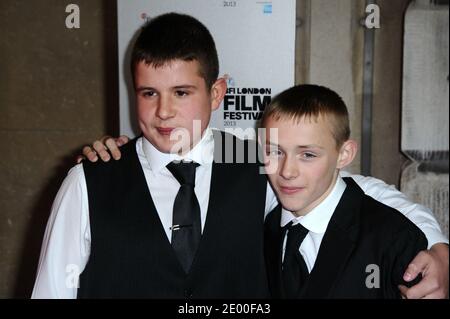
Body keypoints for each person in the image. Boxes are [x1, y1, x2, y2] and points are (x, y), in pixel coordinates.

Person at [32, 13, 448, 299]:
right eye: (148, 93)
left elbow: (350, 192)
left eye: (181, 93)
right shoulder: (92, 179)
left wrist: (438, 247)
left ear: (216, 93)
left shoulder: (250, 158)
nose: (163, 112)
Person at [262, 84, 429, 298]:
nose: (287, 171)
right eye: (274, 151)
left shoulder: (393, 240)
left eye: (308, 155)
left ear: (344, 154)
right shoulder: (264, 229)